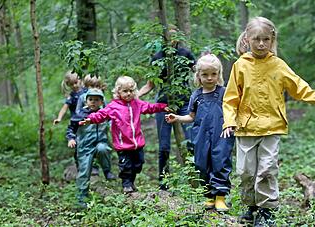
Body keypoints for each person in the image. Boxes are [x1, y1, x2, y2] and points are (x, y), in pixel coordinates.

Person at [221, 17, 315, 226]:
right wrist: (229, 121)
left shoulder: (278, 65)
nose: (261, 44)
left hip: (272, 126)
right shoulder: (240, 66)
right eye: (257, 39)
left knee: (266, 169)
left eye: (266, 39)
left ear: (272, 39)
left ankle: (266, 212)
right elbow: (230, 98)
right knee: (246, 172)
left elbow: (300, 87)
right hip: (245, 127)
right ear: (247, 39)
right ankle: (250, 205)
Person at [165, 54, 234, 212]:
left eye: (213, 74)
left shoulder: (224, 92)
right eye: (205, 74)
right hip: (201, 136)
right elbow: (191, 116)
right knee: (202, 164)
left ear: (219, 74)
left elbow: (232, 111)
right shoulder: (196, 95)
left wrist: (231, 126)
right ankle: (209, 196)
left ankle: (220, 198)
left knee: (221, 162)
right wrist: (177, 118)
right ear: (198, 76)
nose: (209, 78)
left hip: (221, 135)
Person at [80, 76, 170, 194]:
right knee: (126, 165)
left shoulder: (137, 103)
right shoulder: (114, 106)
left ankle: (131, 182)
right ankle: (126, 184)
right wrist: (90, 119)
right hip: (123, 144)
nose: (128, 94)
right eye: (125, 91)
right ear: (118, 92)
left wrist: (163, 107)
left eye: (131, 91)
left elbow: (150, 107)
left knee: (138, 164)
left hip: (137, 143)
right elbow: (101, 114)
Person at [138, 26, 195, 190]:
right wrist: (135, 95)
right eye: (168, 37)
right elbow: (150, 84)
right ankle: (163, 181)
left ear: (177, 38)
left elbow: (199, 73)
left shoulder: (185, 54)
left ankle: (194, 179)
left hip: (185, 103)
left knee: (191, 141)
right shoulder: (157, 57)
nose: (171, 40)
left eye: (174, 37)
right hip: (164, 105)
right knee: (164, 146)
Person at [69, 88, 113, 207]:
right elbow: (71, 128)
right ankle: (81, 198)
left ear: (101, 102)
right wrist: (71, 138)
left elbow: (114, 122)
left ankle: (107, 170)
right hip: (85, 148)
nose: (93, 102)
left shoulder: (104, 114)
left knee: (103, 149)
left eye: (97, 100)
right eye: (91, 99)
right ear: (85, 101)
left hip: (100, 143)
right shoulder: (80, 115)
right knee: (84, 172)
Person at [73, 74, 110, 176]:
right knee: (85, 148)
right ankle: (88, 168)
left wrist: (109, 123)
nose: (94, 89)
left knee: (101, 148)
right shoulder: (82, 98)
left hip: (100, 128)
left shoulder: (101, 97)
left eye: (97, 86)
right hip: (86, 128)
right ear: (86, 87)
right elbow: (78, 112)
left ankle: (106, 170)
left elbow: (108, 111)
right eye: (91, 86)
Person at [53, 71, 87, 168]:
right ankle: (79, 163)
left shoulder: (86, 91)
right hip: (76, 122)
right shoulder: (71, 96)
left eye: (76, 82)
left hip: (88, 121)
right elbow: (64, 107)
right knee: (77, 143)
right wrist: (59, 118)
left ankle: (93, 166)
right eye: (71, 84)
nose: (74, 86)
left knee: (90, 143)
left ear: (80, 80)